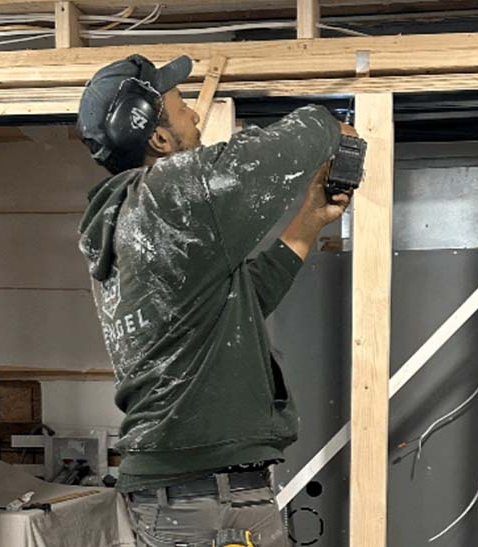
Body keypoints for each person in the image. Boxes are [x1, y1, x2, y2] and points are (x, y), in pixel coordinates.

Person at [77, 54, 357, 546]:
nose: (195, 116)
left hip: (196, 494)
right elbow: (276, 153)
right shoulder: (167, 194)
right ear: (159, 139)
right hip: (203, 496)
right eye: (182, 105)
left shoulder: (132, 221)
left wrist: (310, 219)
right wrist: (329, 123)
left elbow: (245, 299)